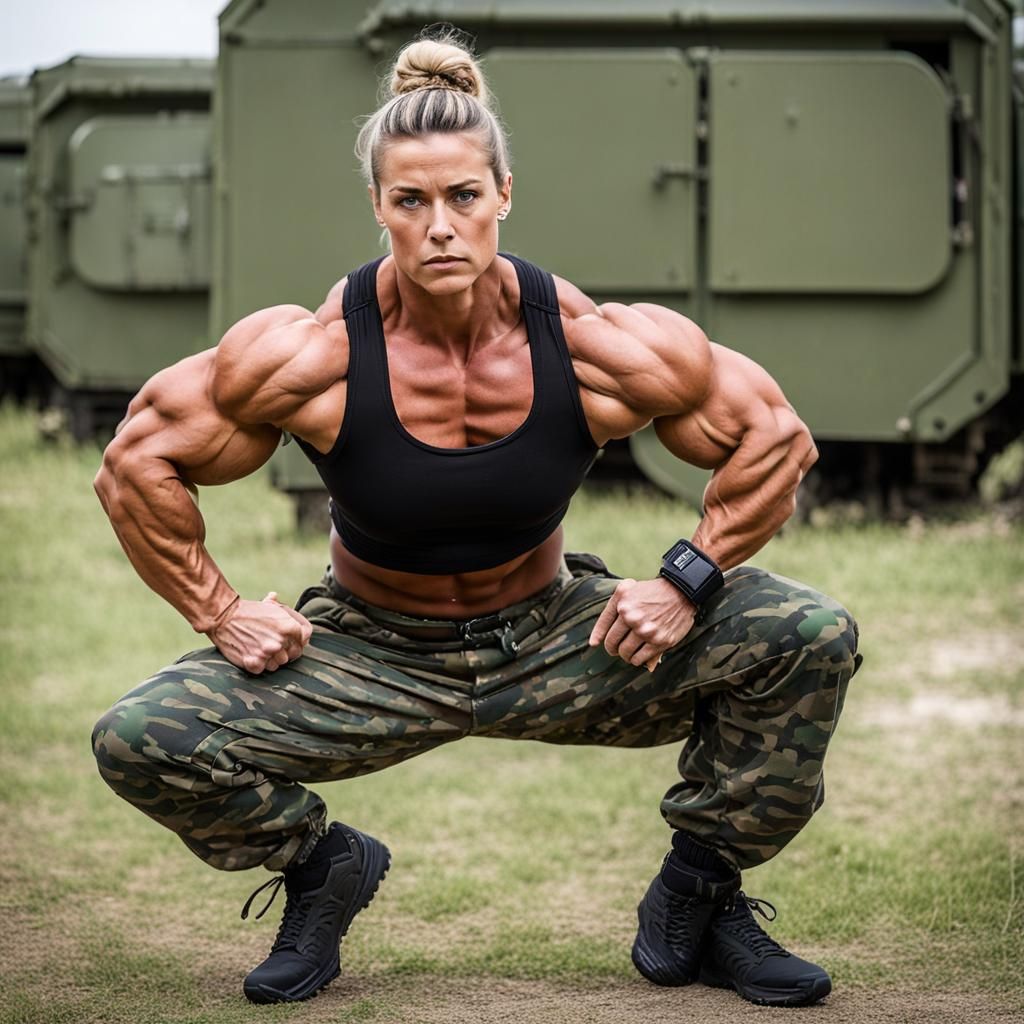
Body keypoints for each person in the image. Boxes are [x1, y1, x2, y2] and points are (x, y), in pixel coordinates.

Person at [91, 29, 859, 1009]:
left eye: (462, 197)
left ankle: (700, 897)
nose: (439, 226)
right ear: (379, 206)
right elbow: (136, 461)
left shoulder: (591, 344)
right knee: (139, 737)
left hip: (557, 636)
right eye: (410, 201)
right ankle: (320, 867)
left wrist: (683, 580)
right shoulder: (309, 355)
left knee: (805, 634)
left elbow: (774, 438)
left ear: (503, 194)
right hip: (371, 649)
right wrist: (220, 610)